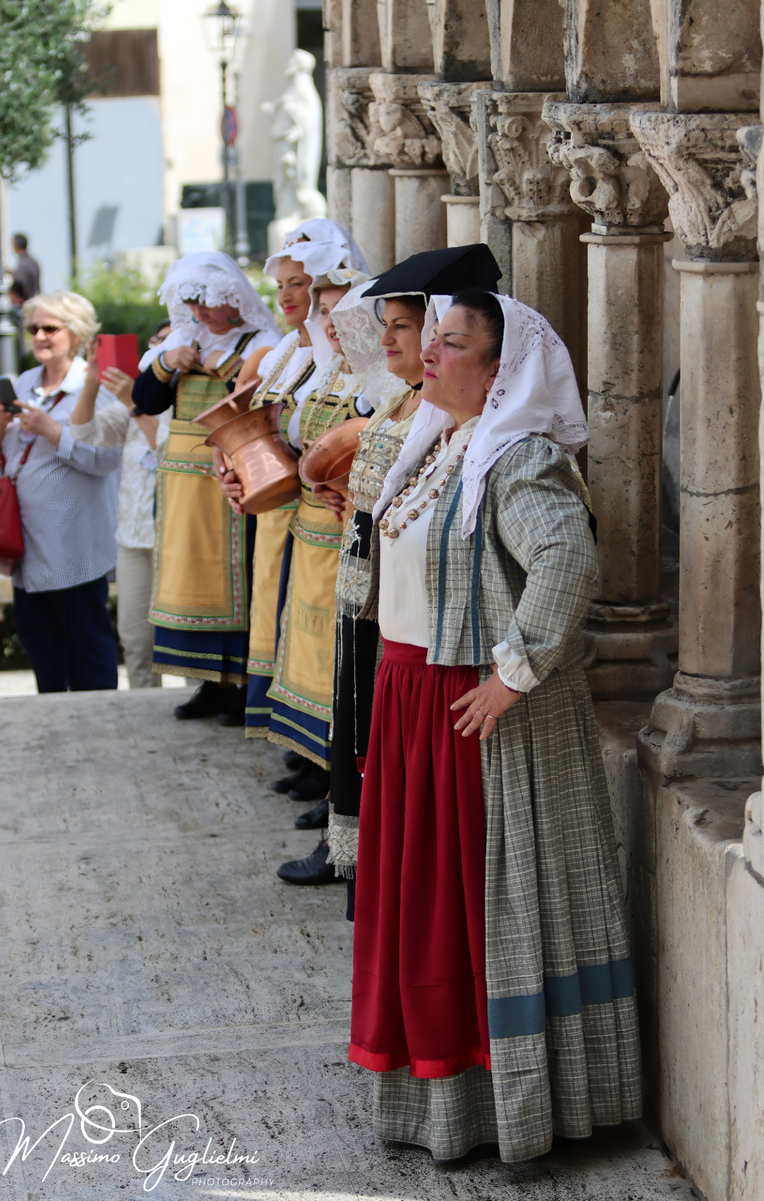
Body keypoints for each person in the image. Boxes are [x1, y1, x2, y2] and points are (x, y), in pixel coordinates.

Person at [349, 289, 642, 1162]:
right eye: (431, 340)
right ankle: (440, 1102)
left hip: (468, 715)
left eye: (450, 343)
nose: (429, 355)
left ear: (499, 370)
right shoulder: (438, 443)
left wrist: (513, 673)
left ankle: (507, 1108)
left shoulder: (517, 458)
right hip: (413, 702)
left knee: (472, 916)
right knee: (424, 915)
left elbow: (566, 558)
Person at [288, 245, 502, 894]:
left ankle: (364, 856)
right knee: (355, 714)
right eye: (387, 326)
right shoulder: (400, 401)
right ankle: (350, 845)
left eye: (403, 326)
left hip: (400, 598)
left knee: (373, 727)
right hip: (365, 579)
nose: (388, 339)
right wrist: (343, 491)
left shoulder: (445, 416)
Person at [222, 266, 372, 825]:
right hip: (306, 530)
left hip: (346, 540)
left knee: (337, 660)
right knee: (305, 651)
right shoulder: (329, 374)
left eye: (343, 312)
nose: (331, 323)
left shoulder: (375, 385)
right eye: (324, 311)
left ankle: (340, 788)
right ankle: (316, 764)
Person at [131, 251, 281, 719]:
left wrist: (230, 367)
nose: (198, 312)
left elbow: (265, 404)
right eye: (191, 303)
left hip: (233, 479)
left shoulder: (263, 341)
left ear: (231, 295)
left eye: (206, 301)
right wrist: (165, 361)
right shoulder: (184, 337)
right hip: (181, 487)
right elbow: (145, 401)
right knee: (190, 577)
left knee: (238, 578)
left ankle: (242, 686)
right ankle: (208, 683)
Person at [0, 291, 123, 692]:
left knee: (88, 651)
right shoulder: (26, 382)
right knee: (42, 648)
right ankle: (55, 722)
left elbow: (106, 458)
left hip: (74, 546)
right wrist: (0, 423)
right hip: (26, 544)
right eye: (33, 329)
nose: (39, 336)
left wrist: (52, 430)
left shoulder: (95, 385)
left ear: (76, 334)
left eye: (49, 328)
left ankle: (99, 723)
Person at [69, 326, 172, 687]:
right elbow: (84, 433)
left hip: (177, 540)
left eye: (170, 340)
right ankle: (142, 707)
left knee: (186, 639)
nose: (161, 346)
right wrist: (92, 380)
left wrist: (133, 401)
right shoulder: (136, 398)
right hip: (132, 536)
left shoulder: (186, 398)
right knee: (135, 639)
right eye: (157, 340)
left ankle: (200, 703)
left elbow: (166, 450)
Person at [11, 234, 41, 300]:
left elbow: (21, 284)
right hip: (35, 298)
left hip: (28, 300)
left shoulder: (24, 263)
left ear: (16, 245)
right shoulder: (32, 261)